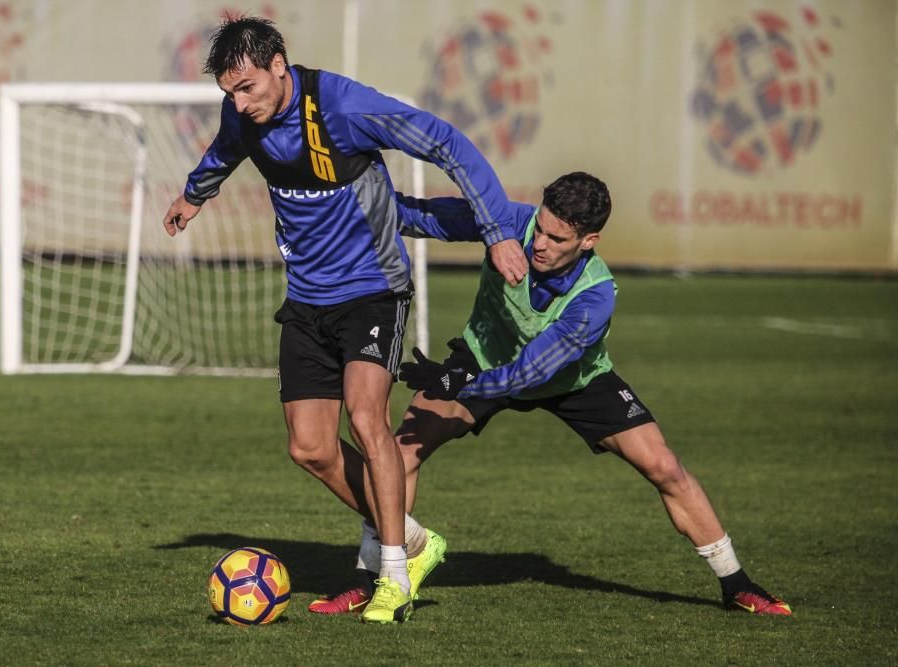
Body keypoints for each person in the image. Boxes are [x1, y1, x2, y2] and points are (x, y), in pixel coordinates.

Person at [162, 16, 527, 624]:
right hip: (306, 297)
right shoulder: (241, 115)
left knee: (365, 418)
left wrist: (495, 231)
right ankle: (412, 540)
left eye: (248, 87)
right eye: (230, 92)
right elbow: (224, 150)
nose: (239, 102)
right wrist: (195, 195)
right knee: (308, 447)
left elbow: (447, 143)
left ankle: (391, 575)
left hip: (373, 289)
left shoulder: (345, 109)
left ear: (280, 64)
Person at [312, 171, 793, 617]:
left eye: (556, 238)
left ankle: (736, 584)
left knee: (665, 466)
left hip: (574, 380)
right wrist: (352, 201)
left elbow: (530, 373)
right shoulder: (510, 224)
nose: (538, 243)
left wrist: (457, 383)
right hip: (484, 355)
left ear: (589, 241)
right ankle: (373, 577)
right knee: (400, 453)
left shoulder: (595, 295)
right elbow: (424, 216)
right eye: (539, 228)